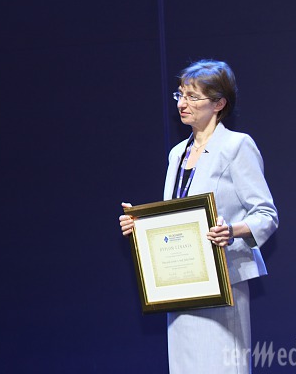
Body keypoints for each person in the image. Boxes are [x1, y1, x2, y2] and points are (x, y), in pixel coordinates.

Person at [118, 60, 278, 373]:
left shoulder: (236, 146)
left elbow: (266, 215)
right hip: (180, 285)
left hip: (223, 282)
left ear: (219, 103)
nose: (183, 103)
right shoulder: (177, 154)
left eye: (193, 96)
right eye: (180, 95)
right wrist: (141, 225)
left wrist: (232, 231)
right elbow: (175, 215)